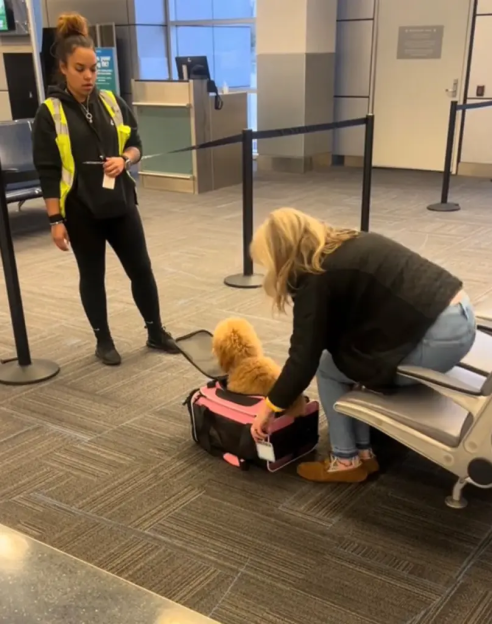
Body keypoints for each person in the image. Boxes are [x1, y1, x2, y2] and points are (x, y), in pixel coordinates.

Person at [249, 208, 476, 483]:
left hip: (439, 338)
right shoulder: (348, 241)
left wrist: (271, 407)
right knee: (347, 358)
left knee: (327, 367)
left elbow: (303, 356)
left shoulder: (316, 278)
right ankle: (364, 453)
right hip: (459, 316)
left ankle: (346, 459)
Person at [32, 12, 179, 366]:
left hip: (121, 203)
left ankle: (155, 330)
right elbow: (48, 171)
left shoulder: (113, 102)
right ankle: (104, 340)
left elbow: (137, 143)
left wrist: (125, 160)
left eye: (93, 69)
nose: (89, 76)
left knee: (141, 269)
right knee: (92, 276)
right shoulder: (49, 113)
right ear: (63, 68)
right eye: (80, 69)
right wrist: (55, 220)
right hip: (82, 211)